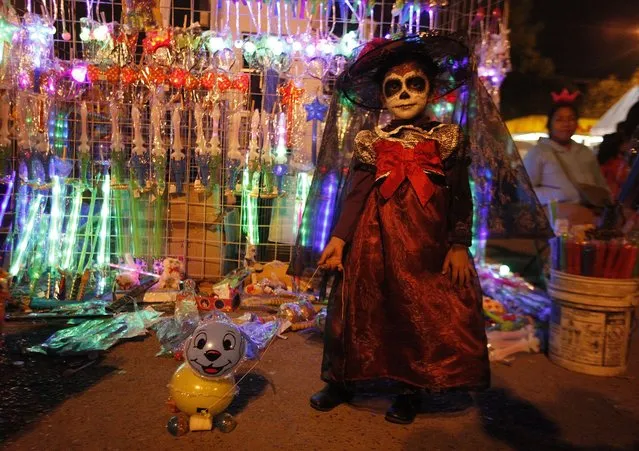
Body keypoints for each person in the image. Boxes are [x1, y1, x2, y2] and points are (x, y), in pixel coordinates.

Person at [308, 35, 490, 425]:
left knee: (416, 311)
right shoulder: (372, 142)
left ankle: (410, 387)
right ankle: (341, 380)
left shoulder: (445, 138)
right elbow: (355, 194)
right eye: (394, 86)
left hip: (425, 244)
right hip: (372, 242)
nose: (405, 93)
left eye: (415, 83)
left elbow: (460, 195)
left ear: (430, 88)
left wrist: (459, 243)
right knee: (357, 308)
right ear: (381, 94)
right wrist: (340, 238)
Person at [523, 100, 610, 225]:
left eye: (571, 119)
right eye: (560, 120)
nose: (566, 124)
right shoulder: (538, 152)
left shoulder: (585, 152)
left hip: (591, 217)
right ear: (550, 124)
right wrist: (559, 196)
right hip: (558, 220)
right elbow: (526, 191)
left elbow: (600, 184)